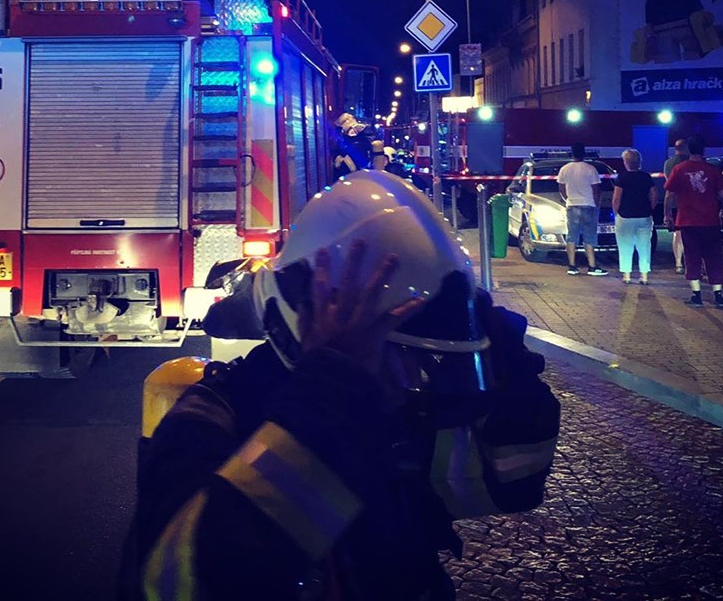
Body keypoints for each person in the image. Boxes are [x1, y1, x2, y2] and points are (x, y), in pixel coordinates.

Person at [119, 170, 561, 601]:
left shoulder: (380, 414)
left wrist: (511, 374)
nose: (409, 377)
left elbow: (510, 483)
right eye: (387, 352)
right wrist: (331, 390)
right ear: (307, 330)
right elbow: (185, 584)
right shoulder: (208, 421)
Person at [664, 134, 723, 309]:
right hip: (710, 221)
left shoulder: (679, 169)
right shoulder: (713, 170)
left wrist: (667, 215)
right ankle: (718, 295)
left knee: (692, 257)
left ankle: (697, 295)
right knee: (714, 257)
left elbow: (669, 194)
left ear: (688, 149)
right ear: (704, 149)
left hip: (688, 221)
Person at [557, 142, 607, 276]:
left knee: (572, 237)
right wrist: (597, 204)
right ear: (584, 153)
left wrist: (567, 198)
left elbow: (561, 187)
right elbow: (596, 189)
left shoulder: (564, 169)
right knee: (589, 237)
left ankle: (572, 266)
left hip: (572, 205)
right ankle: (592, 266)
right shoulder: (590, 169)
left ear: (571, 153)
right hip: (589, 205)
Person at [612, 148, 658, 285]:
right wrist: (651, 207)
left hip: (625, 217)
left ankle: (627, 275)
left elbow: (617, 198)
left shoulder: (621, 178)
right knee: (644, 246)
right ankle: (644, 276)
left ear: (626, 162)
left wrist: (616, 213)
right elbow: (654, 194)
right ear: (639, 162)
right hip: (644, 216)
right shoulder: (646, 177)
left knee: (625, 246)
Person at [663, 139, 689, 274]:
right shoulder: (689, 162)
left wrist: (666, 213)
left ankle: (678, 263)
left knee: (677, 233)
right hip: (689, 202)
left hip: (674, 202)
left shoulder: (668, 163)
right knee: (692, 233)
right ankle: (692, 262)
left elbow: (669, 186)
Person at [332, 111, 373, 178]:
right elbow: (337, 162)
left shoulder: (362, 138)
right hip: (349, 175)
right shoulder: (340, 140)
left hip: (361, 173)